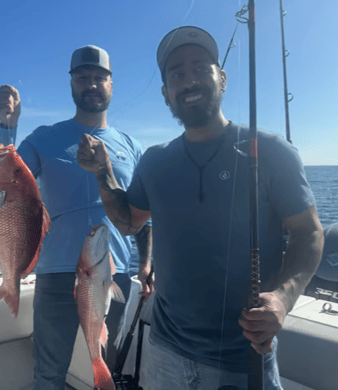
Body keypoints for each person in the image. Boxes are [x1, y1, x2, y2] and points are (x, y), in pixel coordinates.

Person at [77, 27, 324, 390]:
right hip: (164, 352)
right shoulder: (155, 161)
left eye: (200, 68)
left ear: (221, 78)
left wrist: (283, 299)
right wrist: (103, 171)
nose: (188, 80)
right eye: (176, 73)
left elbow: (309, 232)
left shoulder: (272, 151)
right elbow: (129, 221)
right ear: (165, 94)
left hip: (245, 357)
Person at [0, 45, 152, 390]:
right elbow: (1, 184)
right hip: (55, 276)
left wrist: (147, 264)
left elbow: (144, 214)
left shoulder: (131, 146)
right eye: (83, 77)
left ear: (111, 84)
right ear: (72, 84)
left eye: (99, 77)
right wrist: (7, 126)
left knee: (105, 365)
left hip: (114, 277)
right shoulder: (45, 138)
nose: (91, 84)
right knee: (49, 374)